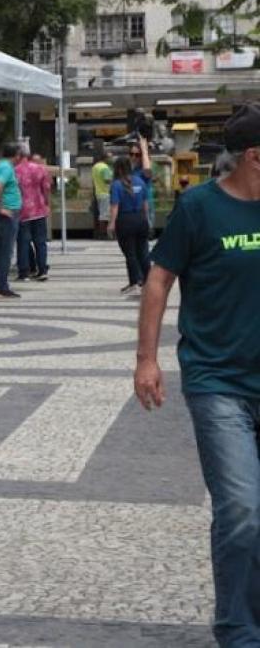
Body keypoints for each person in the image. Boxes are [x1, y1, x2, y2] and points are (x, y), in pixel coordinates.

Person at [135, 102, 260, 645]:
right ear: (255, 157)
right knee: (241, 508)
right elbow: (159, 281)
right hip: (219, 381)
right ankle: (238, 629)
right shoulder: (199, 208)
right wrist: (146, 359)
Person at [108, 154, 151, 297]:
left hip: (125, 221)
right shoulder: (140, 181)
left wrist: (111, 223)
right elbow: (145, 203)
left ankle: (135, 281)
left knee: (130, 253)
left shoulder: (116, 185)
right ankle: (148, 280)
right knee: (143, 252)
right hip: (140, 219)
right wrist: (147, 220)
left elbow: (115, 205)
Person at [0, 144, 24, 299]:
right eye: (19, 155)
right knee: (6, 251)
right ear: (15, 155)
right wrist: (1, 206)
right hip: (6, 213)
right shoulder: (7, 168)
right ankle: (1, 285)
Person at [15, 149, 52, 282]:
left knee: (23, 242)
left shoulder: (16, 170)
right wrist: (46, 203)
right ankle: (42, 270)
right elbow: (46, 188)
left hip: (22, 211)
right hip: (39, 209)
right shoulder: (40, 169)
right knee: (40, 242)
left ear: (19, 156)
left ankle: (24, 272)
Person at [90, 141, 113, 240]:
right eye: (110, 157)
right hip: (105, 193)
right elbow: (107, 180)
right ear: (106, 158)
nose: (111, 159)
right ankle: (103, 234)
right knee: (104, 215)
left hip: (98, 192)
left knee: (102, 214)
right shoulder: (105, 168)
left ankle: (101, 233)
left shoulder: (95, 166)